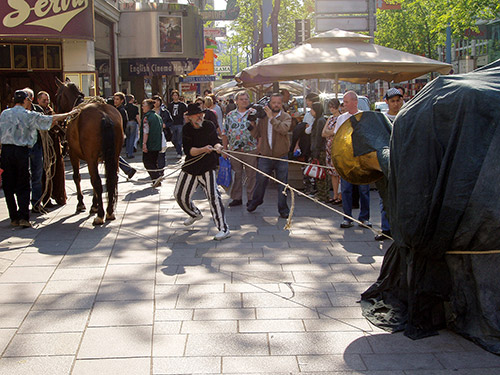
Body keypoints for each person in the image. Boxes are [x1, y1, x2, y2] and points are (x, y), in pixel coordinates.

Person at [0, 90, 75, 227]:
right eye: (28, 100)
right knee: (23, 184)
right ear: (25, 101)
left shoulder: (4, 114)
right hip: (21, 151)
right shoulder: (29, 115)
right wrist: (69, 114)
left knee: (8, 185)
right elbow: (50, 120)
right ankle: (24, 217)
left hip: (6, 151)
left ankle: (13, 217)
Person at [174, 103, 230, 241]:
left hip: (207, 167)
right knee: (179, 195)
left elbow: (215, 141)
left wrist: (219, 147)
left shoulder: (209, 125)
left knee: (214, 197)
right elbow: (189, 151)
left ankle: (223, 228)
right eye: (196, 115)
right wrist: (203, 149)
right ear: (190, 117)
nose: (200, 116)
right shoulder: (187, 129)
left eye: (201, 114)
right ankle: (194, 214)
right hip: (191, 167)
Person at [247, 93, 292, 218]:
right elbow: (257, 135)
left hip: (281, 156)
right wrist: (251, 124)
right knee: (260, 180)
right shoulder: (263, 118)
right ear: (269, 103)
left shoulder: (286, 117)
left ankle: (283, 209)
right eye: (273, 103)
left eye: (278, 103)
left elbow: (283, 129)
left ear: (281, 104)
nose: (276, 105)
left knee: (282, 184)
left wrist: (272, 118)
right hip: (266, 156)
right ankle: (256, 201)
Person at [335, 91, 372, 229]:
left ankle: (364, 218)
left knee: (364, 189)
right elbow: (337, 139)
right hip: (346, 159)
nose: (343, 105)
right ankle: (347, 217)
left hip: (362, 159)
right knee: (346, 189)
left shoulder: (364, 116)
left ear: (354, 102)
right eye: (343, 102)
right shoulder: (341, 118)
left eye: (346, 102)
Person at [374, 87, 403, 241]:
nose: (396, 104)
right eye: (393, 101)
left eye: (399, 100)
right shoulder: (383, 119)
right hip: (386, 165)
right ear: (387, 102)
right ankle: (386, 229)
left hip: (403, 164)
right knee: (384, 197)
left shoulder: (407, 116)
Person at [222, 91, 258, 207]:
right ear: (236, 101)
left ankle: (251, 198)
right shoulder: (230, 115)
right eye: (241, 99)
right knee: (236, 174)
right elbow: (225, 132)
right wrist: (225, 149)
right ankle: (236, 198)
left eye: (246, 99)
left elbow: (260, 132)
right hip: (234, 150)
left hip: (251, 149)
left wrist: (259, 148)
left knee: (251, 175)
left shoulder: (253, 114)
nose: (244, 101)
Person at [37, 90, 67, 207]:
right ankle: (45, 198)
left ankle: (58, 195)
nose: (46, 102)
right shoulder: (37, 112)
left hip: (55, 145)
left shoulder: (50, 110)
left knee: (57, 171)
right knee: (45, 173)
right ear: (38, 100)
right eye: (44, 100)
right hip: (44, 148)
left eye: (47, 100)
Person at [22, 88, 45, 213]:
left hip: (36, 146)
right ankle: (23, 205)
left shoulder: (38, 110)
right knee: (24, 176)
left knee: (37, 175)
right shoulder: (17, 111)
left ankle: (36, 203)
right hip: (22, 147)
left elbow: (44, 123)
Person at [322, 98, 342, 205]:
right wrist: (330, 132)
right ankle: (334, 195)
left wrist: (330, 132)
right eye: (330, 107)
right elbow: (323, 133)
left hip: (337, 147)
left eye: (333, 106)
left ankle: (340, 195)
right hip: (329, 147)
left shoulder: (340, 118)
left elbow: (335, 132)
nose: (332, 109)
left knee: (338, 173)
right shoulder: (330, 118)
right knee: (332, 173)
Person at [140, 99, 163, 187]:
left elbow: (146, 131)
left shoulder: (147, 117)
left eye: (143, 105)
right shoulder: (158, 116)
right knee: (154, 162)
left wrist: (144, 143)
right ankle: (156, 180)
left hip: (150, 143)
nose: (142, 107)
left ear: (148, 107)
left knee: (147, 162)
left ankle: (156, 177)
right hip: (157, 143)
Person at [113, 92, 136, 179]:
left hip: (117, 135)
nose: (115, 101)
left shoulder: (121, 111)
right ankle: (127, 170)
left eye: (117, 99)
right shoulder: (116, 109)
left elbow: (123, 124)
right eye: (114, 99)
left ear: (122, 101)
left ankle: (128, 169)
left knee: (114, 154)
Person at [152, 95, 173, 175]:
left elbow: (170, 122)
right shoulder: (150, 112)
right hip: (152, 135)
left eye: (157, 101)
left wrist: (165, 125)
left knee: (161, 152)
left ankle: (161, 169)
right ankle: (155, 169)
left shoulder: (165, 112)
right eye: (154, 101)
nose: (156, 103)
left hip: (162, 134)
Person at [167, 90, 188, 158]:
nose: (175, 97)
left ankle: (179, 152)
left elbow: (185, 114)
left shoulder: (182, 105)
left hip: (180, 123)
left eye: (176, 95)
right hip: (172, 123)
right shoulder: (170, 105)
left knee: (179, 138)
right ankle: (178, 148)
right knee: (173, 139)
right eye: (174, 95)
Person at [124, 94, 140, 159]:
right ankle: (130, 153)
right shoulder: (135, 107)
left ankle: (127, 151)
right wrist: (140, 124)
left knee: (127, 138)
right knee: (132, 138)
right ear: (132, 99)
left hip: (126, 123)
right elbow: (137, 117)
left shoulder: (124, 107)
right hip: (133, 122)